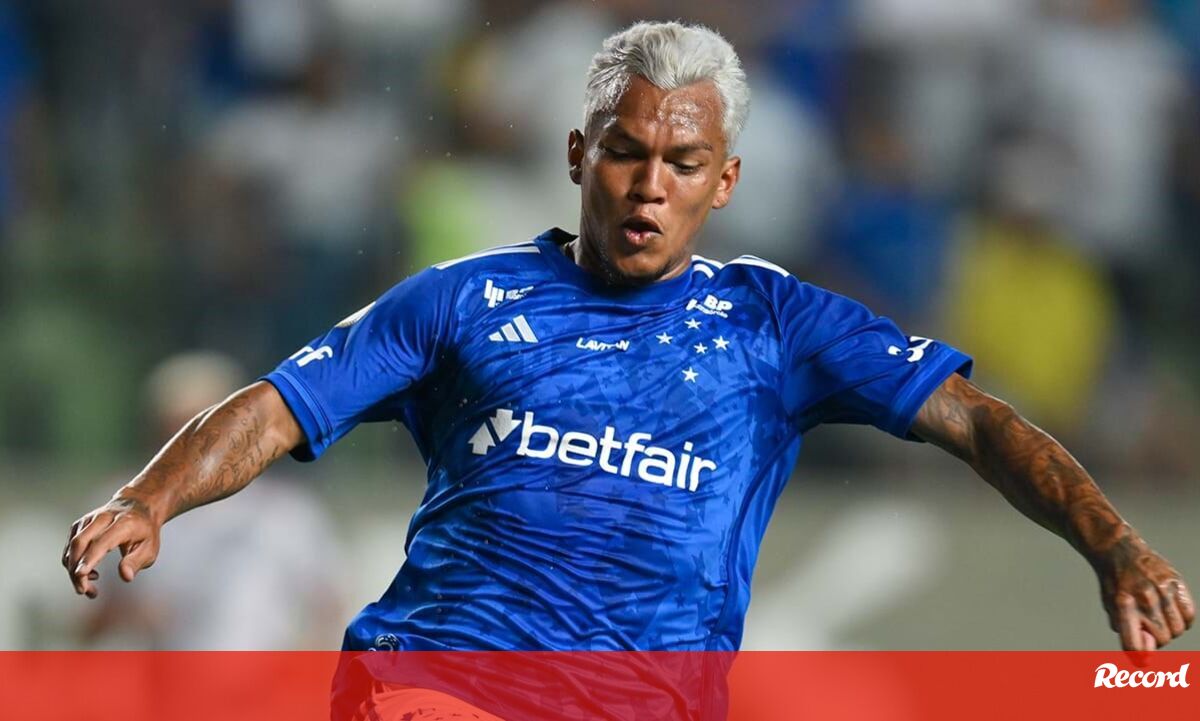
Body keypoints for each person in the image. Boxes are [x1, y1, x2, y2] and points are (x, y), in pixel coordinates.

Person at [64, 20, 1192, 718]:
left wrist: (1115, 543)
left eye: (682, 162)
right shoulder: (463, 299)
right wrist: (150, 497)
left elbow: (977, 422)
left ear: (725, 181)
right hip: (436, 682)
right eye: (625, 152)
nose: (650, 184)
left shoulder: (775, 325)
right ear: (579, 155)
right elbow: (279, 404)